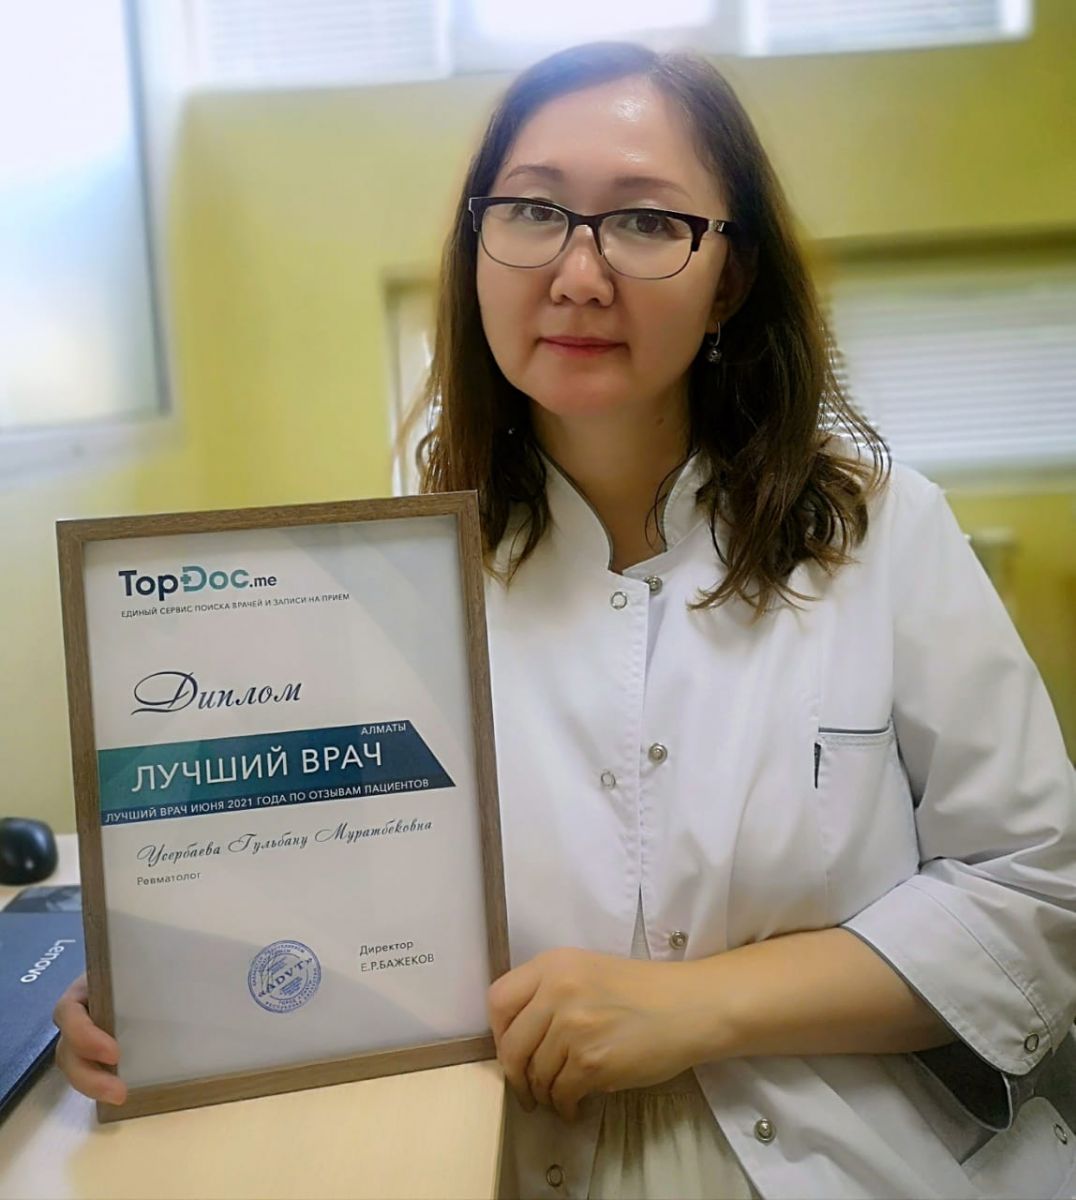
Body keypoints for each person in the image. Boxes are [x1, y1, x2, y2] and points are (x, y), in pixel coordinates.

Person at [53, 41, 1075, 1200]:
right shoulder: (385, 575)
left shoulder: (880, 531)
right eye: (534, 211)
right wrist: (173, 989)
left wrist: (694, 1006)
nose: (578, 275)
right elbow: (323, 888)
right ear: (476, 248)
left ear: (728, 277)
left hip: (849, 1156)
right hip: (497, 1148)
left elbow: (1036, 893)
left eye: (644, 221)